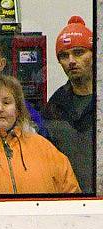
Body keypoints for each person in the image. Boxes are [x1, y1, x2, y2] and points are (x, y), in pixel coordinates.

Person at [0, 74, 80, 195]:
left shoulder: (44, 148)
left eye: (7, 102)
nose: (0, 108)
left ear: (18, 110)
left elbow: (73, 196)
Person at [45, 16, 94, 193]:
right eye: (64, 56)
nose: (71, 61)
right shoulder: (54, 106)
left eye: (79, 52)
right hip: (68, 203)